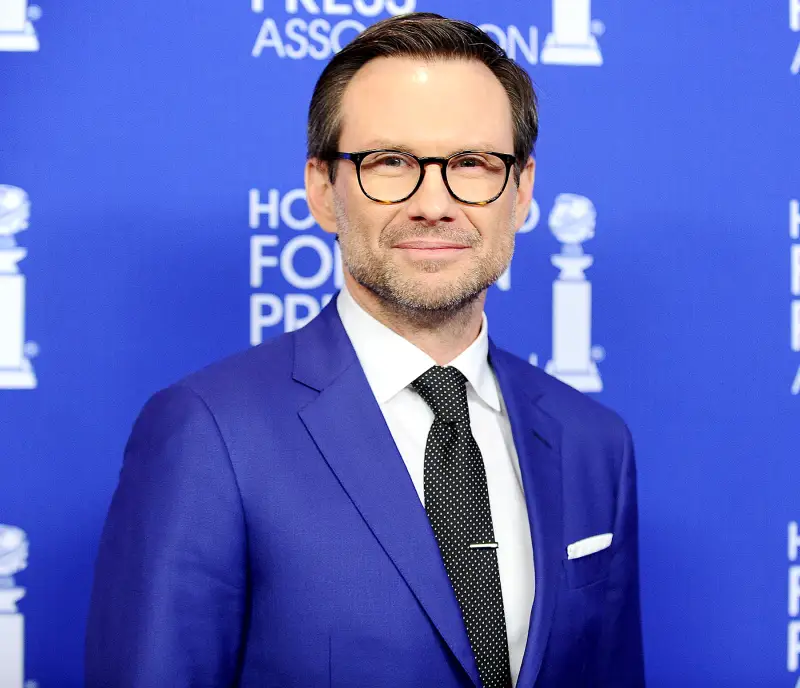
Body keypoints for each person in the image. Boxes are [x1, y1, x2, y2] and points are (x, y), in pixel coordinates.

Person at [85, 12, 644, 688]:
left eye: (472, 164)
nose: (433, 203)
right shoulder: (208, 434)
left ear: (520, 192)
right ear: (323, 190)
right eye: (391, 162)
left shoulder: (594, 444)